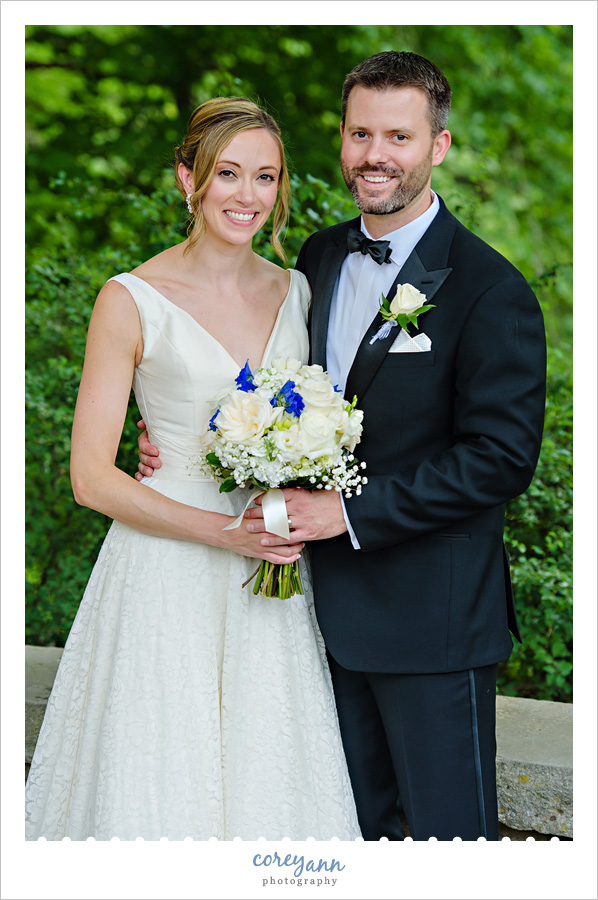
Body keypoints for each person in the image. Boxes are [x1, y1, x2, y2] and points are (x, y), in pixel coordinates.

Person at [139, 51, 548, 841]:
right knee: (339, 844)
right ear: (341, 138)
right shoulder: (316, 262)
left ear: (441, 145)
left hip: (432, 626)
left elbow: (499, 459)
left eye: (399, 134)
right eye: (361, 133)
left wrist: (346, 513)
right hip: (310, 624)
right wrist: (175, 440)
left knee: (446, 849)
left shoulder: (490, 289)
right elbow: (256, 384)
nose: (375, 155)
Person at [25, 97, 361, 841]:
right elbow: (91, 479)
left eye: (266, 177)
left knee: (268, 785)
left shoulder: (296, 291)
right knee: (159, 782)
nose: (248, 196)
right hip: (164, 573)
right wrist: (222, 531)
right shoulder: (130, 300)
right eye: (229, 174)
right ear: (189, 179)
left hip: (268, 583)